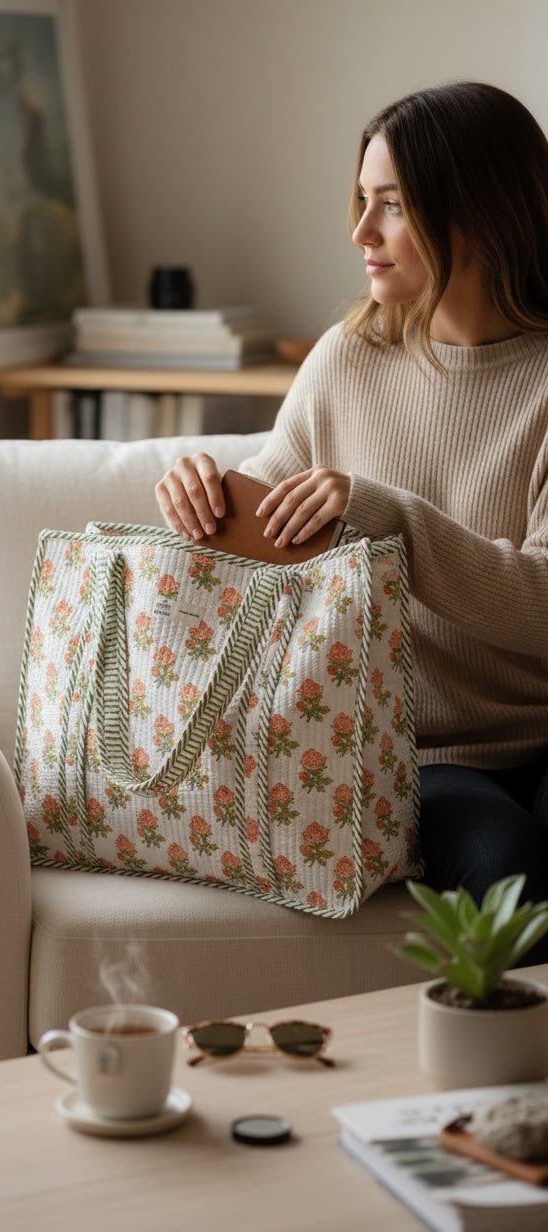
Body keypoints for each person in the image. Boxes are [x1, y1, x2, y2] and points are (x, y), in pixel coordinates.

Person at [155, 82, 548, 942]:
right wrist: (203, 491)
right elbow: (271, 513)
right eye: (361, 202)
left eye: (391, 207)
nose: (360, 232)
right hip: (421, 753)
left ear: (477, 213)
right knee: (508, 867)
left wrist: (388, 516)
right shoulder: (348, 358)